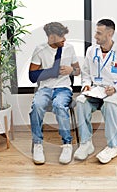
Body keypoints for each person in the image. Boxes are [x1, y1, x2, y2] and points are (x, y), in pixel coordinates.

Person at [73, 19, 117, 164]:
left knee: (111, 104)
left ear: (110, 34)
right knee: (80, 102)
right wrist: (86, 85)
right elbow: (86, 72)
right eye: (96, 32)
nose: (95, 36)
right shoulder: (91, 51)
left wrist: (116, 88)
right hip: (95, 90)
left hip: (113, 91)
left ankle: (113, 146)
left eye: (99, 33)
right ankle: (86, 143)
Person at [29, 22, 80, 165]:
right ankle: (37, 144)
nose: (64, 39)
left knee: (59, 105)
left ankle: (67, 144)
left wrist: (71, 71)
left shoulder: (69, 48)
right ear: (51, 37)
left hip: (63, 88)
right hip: (45, 89)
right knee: (37, 106)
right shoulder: (40, 50)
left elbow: (78, 71)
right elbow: (32, 77)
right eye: (61, 36)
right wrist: (52, 72)